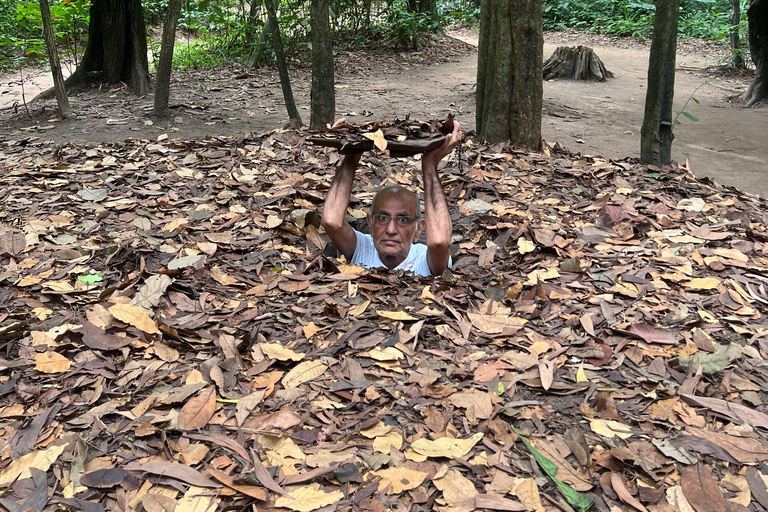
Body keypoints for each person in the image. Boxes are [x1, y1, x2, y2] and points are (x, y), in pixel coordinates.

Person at [321, 120, 463, 277]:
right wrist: (350, 155)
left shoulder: (424, 259)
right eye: (382, 218)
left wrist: (429, 165)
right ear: (370, 222)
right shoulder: (361, 248)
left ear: (419, 228)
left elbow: (439, 242)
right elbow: (331, 221)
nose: (391, 230)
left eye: (403, 220)